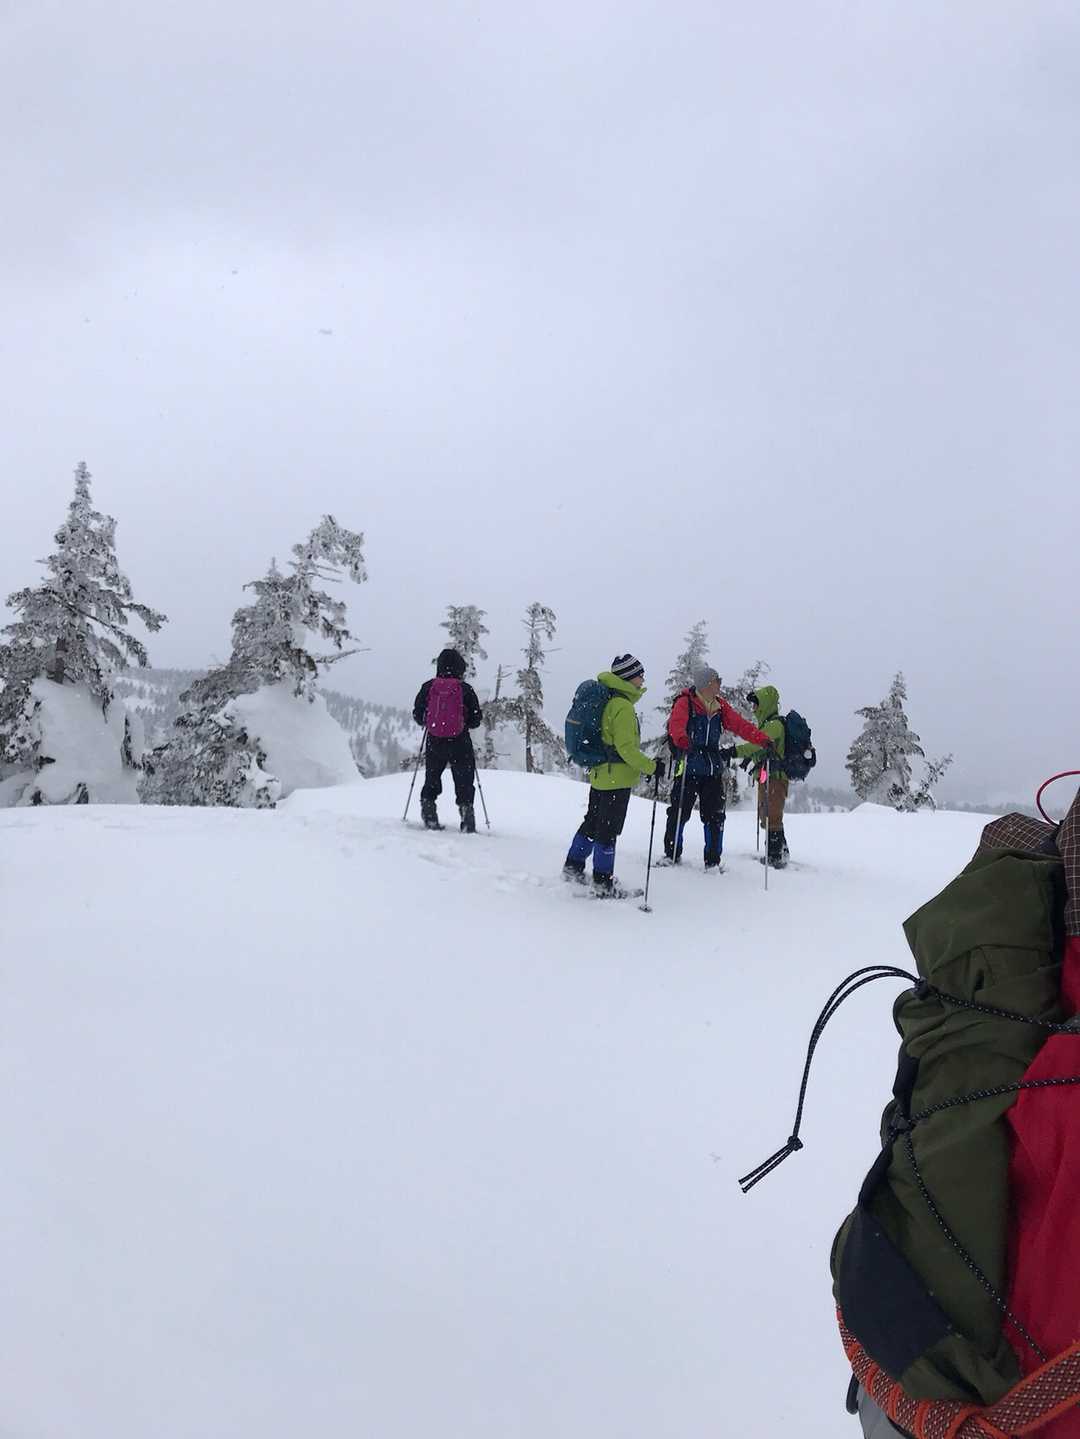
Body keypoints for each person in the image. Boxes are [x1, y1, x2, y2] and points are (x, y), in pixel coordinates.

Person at [562, 654, 663, 896]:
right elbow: (626, 749)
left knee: (592, 823)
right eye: (639, 675)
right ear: (628, 677)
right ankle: (602, 883)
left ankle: (573, 867)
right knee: (608, 831)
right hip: (616, 778)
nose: (643, 679)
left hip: (601, 774)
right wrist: (651, 767)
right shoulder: (623, 706)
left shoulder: (610, 699)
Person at [663, 665, 773, 870]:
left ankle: (713, 861)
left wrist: (762, 740)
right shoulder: (685, 702)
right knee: (679, 812)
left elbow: (741, 726)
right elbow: (676, 726)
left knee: (715, 816)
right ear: (706, 684)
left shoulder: (720, 706)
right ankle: (672, 855)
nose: (720, 684)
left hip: (712, 769)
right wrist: (682, 740)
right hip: (688, 766)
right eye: (717, 680)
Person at [412, 647, 483, 832]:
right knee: (464, 780)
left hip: (435, 740)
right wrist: (463, 721)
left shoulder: (429, 687)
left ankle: (429, 811)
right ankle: (467, 817)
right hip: (460, 741)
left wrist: (431, 721)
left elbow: (418, 715)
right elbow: (476, 719)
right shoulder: (465, 689)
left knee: (432, 777)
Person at [735, 684, 788, 867]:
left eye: (756, 704)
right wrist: (749, 759)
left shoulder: (775, 725)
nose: (754, 708)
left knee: (772, 816)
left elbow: (757, 744)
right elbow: (761, 749)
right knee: (767, 815)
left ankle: (775, 856)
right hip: (768, 776)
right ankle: (781, 851)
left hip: (775, 777)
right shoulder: (767, 725)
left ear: (765, 704)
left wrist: (735, 751)